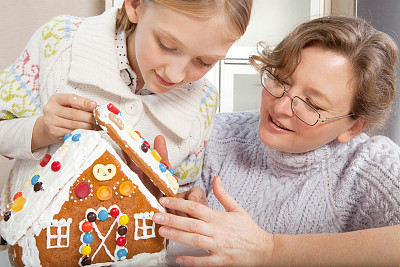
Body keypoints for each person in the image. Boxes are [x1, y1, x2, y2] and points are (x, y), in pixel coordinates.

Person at [151, 15, 400, 266]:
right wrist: (177, 223)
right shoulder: (216, 133)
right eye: (281, 80)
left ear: (354, 127)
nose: (280, 107)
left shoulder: (369, 166)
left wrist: (269, 250)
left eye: (312, 104)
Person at [0, 0, 253, 212]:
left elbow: (180, 188)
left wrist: (180, 201)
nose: (175, 75)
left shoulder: (204, 103)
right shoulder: (58, 42)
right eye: (167, 45)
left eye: (204, 61)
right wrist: (41, 130)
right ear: (135, 5)